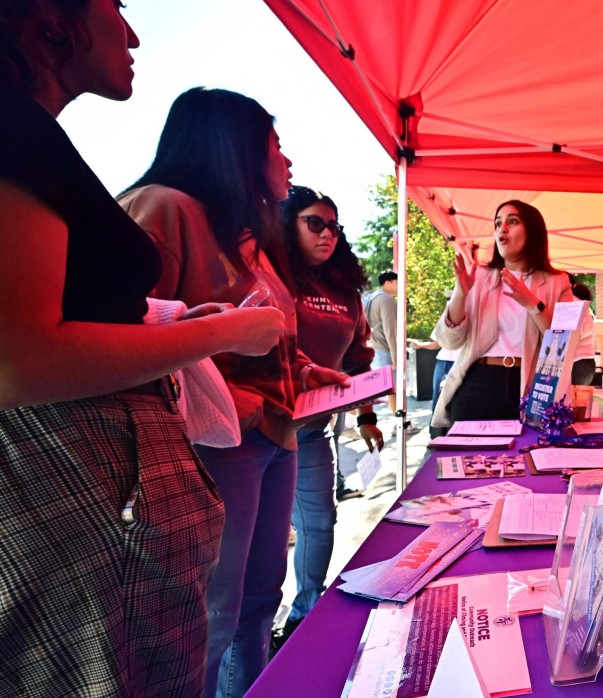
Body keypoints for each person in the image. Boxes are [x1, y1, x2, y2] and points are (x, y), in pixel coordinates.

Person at [0, 3, 283, 695]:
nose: (132, 34)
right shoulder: (17, 132)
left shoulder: (32, 136)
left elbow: (69, 314)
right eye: (116, 7)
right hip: (93, 501)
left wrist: (169, 320)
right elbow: (20, 360)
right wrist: (223, 332)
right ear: (47, 17)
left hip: (112, 506)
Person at [119, 87, 348, 698]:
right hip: (217, 445)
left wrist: (304, 368)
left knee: (258, 599)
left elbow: (262, 332)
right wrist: (234, 403)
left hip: (277, 433)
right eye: (276, 145)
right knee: (211, 618)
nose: (288, 163)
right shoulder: (163, 209)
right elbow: (127, 333)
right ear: (236, 149)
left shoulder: (250, 238)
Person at [272, 186, 383, 651]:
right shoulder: (273, 275)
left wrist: (367, 415)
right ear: (287, 225)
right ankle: (253, 634)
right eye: (314, 223)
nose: (327, 234)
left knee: (319, 523)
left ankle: (304, 615)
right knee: (266, 538)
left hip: (314, 428)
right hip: (260, 426)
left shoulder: (345, 293)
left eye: (334, 227)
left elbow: (359, 360)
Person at [432, 200, 573, 430]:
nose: (502, 228)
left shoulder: (557, 282)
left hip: (530, 387)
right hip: (478, 382)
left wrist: (532, 303)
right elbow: (449, 341)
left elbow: (561, 345)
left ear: (532, 231)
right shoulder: (478, 276)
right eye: (497, 223)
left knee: (526, 461)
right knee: (471, 462)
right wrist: (461, 294)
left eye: (512, 221)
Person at [364, 270, 401, 416]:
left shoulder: (372, 297)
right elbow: (389, 329)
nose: (400, 286)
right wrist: (395, 353)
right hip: (384, 349)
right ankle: (398, 422)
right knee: (393, 388)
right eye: (397, 283)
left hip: (372, 346)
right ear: (388, 283)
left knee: (377, 388)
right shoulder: (386, 299)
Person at [570, 283, 597, 385]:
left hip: (577, 362)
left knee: (570, 398)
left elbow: (573, 337)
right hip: (585, 362)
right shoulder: (584, 309)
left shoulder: (574, 305)